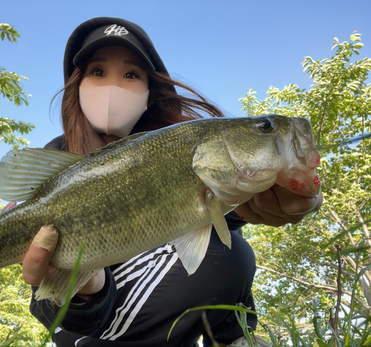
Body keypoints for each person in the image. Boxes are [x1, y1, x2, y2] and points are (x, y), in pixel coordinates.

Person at [22, 17, 323, 347]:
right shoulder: (53, 173)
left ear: (150, 94)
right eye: (97, 72)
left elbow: (234, 210)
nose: (113, 86)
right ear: (76, 87)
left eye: (131, 74)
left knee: (229, 249)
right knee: (228, 251)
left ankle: (234, 339)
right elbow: (46, 303)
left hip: (157, 303)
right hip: (92, 332)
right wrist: (85, 289)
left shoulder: (179, 148)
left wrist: (284, 197)